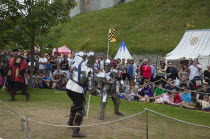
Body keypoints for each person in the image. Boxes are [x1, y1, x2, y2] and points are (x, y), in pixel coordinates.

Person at [66, 52, 97, 137]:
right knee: (81, 110)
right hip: (77, 90)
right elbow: (91, 88)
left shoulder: (78, 63)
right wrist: (97, 92)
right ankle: (75, 132)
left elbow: (71, 70)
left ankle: (70, 121)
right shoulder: (89, 69)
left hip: (68, 87)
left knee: (76, 104)